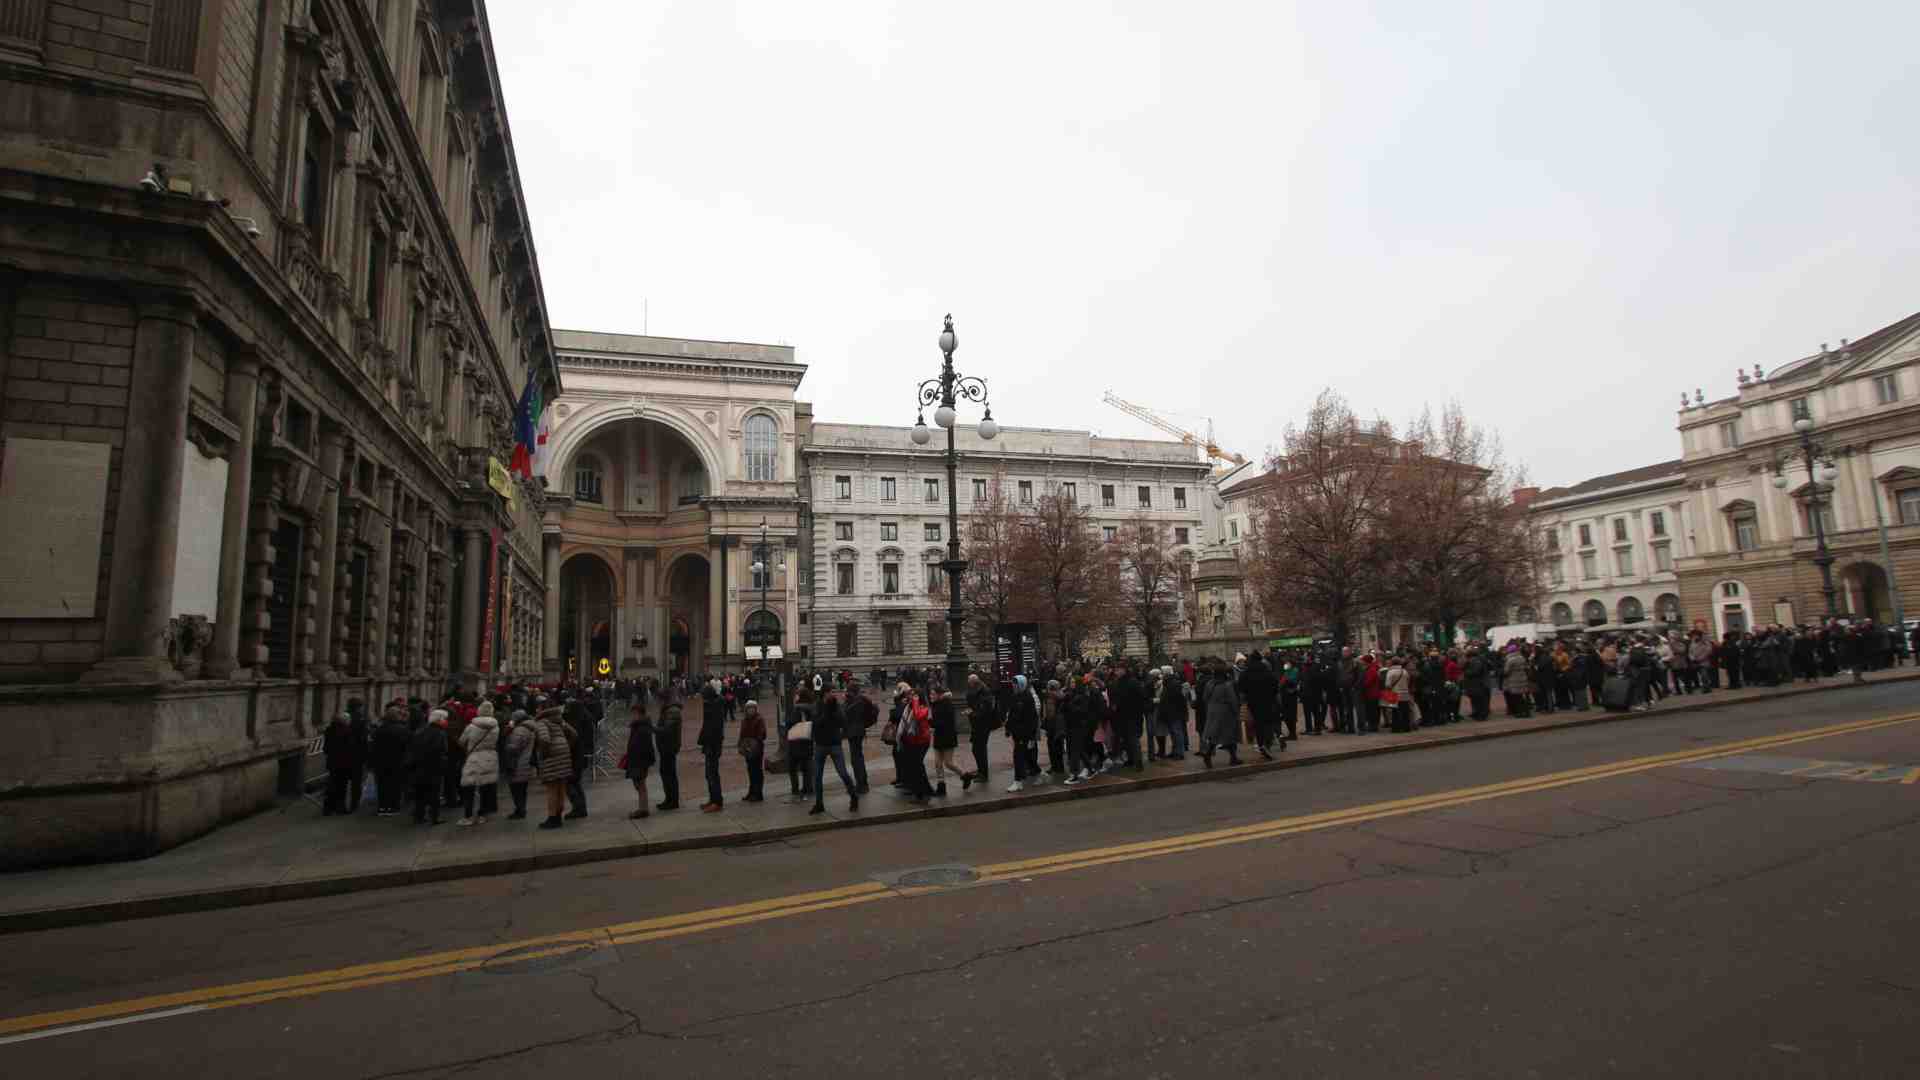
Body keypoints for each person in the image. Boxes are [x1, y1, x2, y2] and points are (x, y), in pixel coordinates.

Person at [809, 690, 860, 815]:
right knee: (817, 777)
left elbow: (843, 722)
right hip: (821, 745)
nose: (830, 695)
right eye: (828, 693)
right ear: (823, 695)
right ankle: (819, 803)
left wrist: (840, 735)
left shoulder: (836, 707)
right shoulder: (818, 706)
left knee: (842, 772)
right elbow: (816, 723)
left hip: (834, 745)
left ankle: (853, 796)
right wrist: (827, 711)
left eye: (831, 693)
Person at [456, 702, 500, 826]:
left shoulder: (471, 726)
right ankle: (482, 815)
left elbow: (461, 741)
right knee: (485, 787)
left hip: (474, 757)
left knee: (469, 788)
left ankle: (468, 816)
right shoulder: (495, 726)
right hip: (490, 756)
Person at [533, 705, 575, 830]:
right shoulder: (559, 720)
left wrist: (544, 754)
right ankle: (558, 816)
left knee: (551, 788)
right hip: (564, 754)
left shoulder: (542, 722)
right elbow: (574, 734)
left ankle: (552, 818)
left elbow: (545, 740)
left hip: (552, 756)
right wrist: (567, 746)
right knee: (561, 787)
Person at [406, 710, 450, 825]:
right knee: (434, 793)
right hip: (434, 766)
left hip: (419, 766)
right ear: (439, 720)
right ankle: (435, 817)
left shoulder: (421, 730)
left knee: (420, 792)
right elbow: (441, 750)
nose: (446, 722)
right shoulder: (440, 733)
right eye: (445, 719)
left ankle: (419, 816)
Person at [1199, 661, 1244, 767]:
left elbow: (1204, 698)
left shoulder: (1209, 683)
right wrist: (1236, 712)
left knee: (1214, 735)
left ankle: (1208, 754)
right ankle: (1233, 758)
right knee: (1231, 735)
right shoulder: (1226, 685)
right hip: (1226, 713)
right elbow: (1232, 700)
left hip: (1212, 711)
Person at [962, 673, 1000, 790]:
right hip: (977, 725)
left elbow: (984, 711)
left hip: (983, 726)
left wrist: (971, 713)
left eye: (969, 682)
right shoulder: (976, 690)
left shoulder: (984, 691)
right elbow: (975, 706)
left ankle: (984, 774)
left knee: (980, 748)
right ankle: (981, 771)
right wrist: (970, 710)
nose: (968, 684)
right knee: (976, 748)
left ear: (974, 682)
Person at [897, 687, 935, 803]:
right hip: (911, 741)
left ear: (918, 697)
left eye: (913, 695)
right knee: (916, 767)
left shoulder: (924, 708)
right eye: (909, 695)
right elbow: (903, 720)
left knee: (917, 767)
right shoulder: (909, 707)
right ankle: (924, 790)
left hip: (921, 741)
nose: (909, 697)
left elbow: (918, 716)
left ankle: (922, 793)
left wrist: (915, 701)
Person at [623, 701, 658, 818]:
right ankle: (643, 808)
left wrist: (646, 760)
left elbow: (646, 746)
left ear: (639, 713)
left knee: (640, 784)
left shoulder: (642, 727)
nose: (632, 716)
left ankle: (643, 809)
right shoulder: (638, 725)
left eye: (634, 713)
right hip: (636, 759)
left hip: (640, 760)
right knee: (638, 784)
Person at [843, 676, 876, 794]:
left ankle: (861, 785)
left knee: (856, 759)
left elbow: (845, 714)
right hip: (860, 730)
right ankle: (862, 783)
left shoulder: (852, 701)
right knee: (858, 758)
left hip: (853, 732)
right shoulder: (862, 700)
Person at [929, 685, 963, 796]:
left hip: (948, 737)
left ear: (939, 695)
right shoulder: (936, 704)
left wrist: (929, 722)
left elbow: (942, 722)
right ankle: (941, 786)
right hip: (939, 736)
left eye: (933, 694)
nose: (931, 696)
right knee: (938, 763)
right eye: (931, 694)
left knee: (948, 763)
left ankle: (964, 775)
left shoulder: (947, 704)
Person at [562, 698, 593, 820]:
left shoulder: (576, 722)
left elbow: (574, 738)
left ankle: (578, 807)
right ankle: (580, 807)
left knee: (571, 782)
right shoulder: (585, 717)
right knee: (576, 782)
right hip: (582, 754)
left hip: (576, 756)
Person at [655, 682, 684, 811]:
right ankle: (670, 799)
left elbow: (666, 729)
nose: (659, 702)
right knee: (666, 772)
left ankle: (672, 801)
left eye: (660, 699)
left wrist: (652, 728)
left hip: (669, 746)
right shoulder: (669, 709)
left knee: (669, 773)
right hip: (666, 745)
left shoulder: (673, 710)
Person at [503, 709, 537, 819]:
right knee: (522, 789)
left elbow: (514, 747)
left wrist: (506, 745)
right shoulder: (531, 728)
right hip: (526, 763)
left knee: (516, 789)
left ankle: (520, 810)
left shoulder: (520, 730)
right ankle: (521, 808)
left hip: (518, 763)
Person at [697, 686, 727, 812]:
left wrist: (708, 743)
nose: (703, 700)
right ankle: (712, 799)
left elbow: (714, 729)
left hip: (713, 745)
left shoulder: (715, 707)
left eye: (704, 697)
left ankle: (717, 801)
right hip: (709, 744)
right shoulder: (710, 705)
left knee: (712, 774)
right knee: (708, 774)